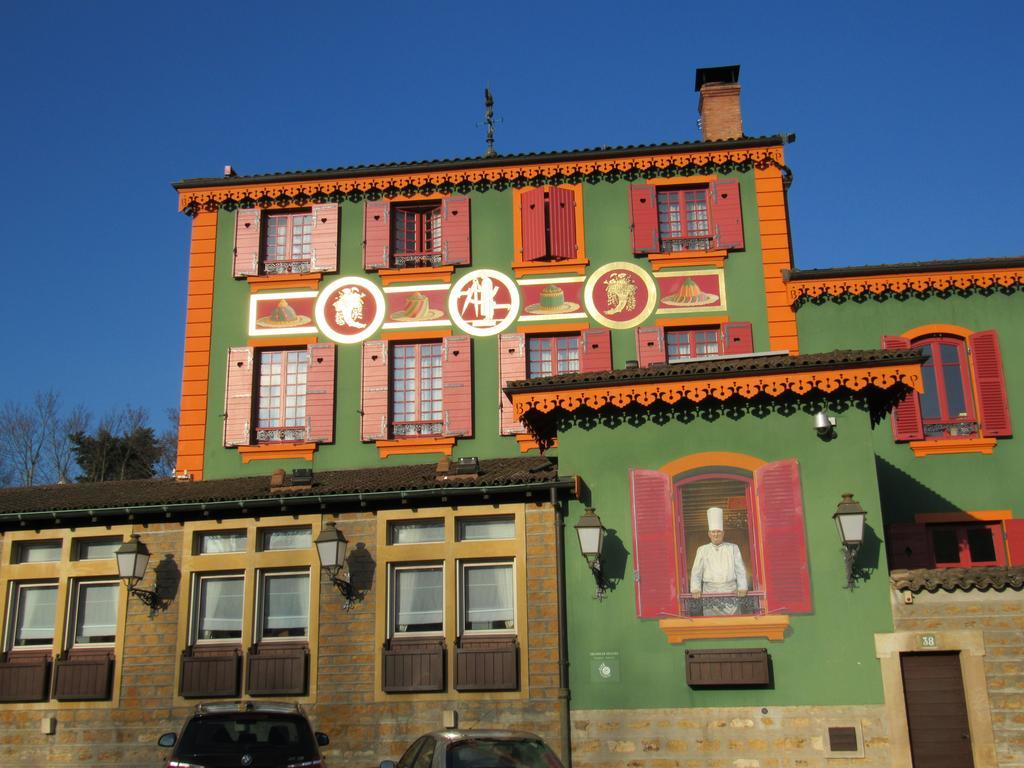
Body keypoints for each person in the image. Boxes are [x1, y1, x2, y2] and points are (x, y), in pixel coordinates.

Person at [689, 506, 748, 616]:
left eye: (718, 531)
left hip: (730, 591)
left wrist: (743, 586)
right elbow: (696, 572)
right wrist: (695, 588)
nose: (716, 534)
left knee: (733, 625)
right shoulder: (702, 550)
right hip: (710, 593)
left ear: (723, 533)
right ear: (709, 534)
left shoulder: (733, 548)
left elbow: (740, 569)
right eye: (713, 532)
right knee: (712, 625)